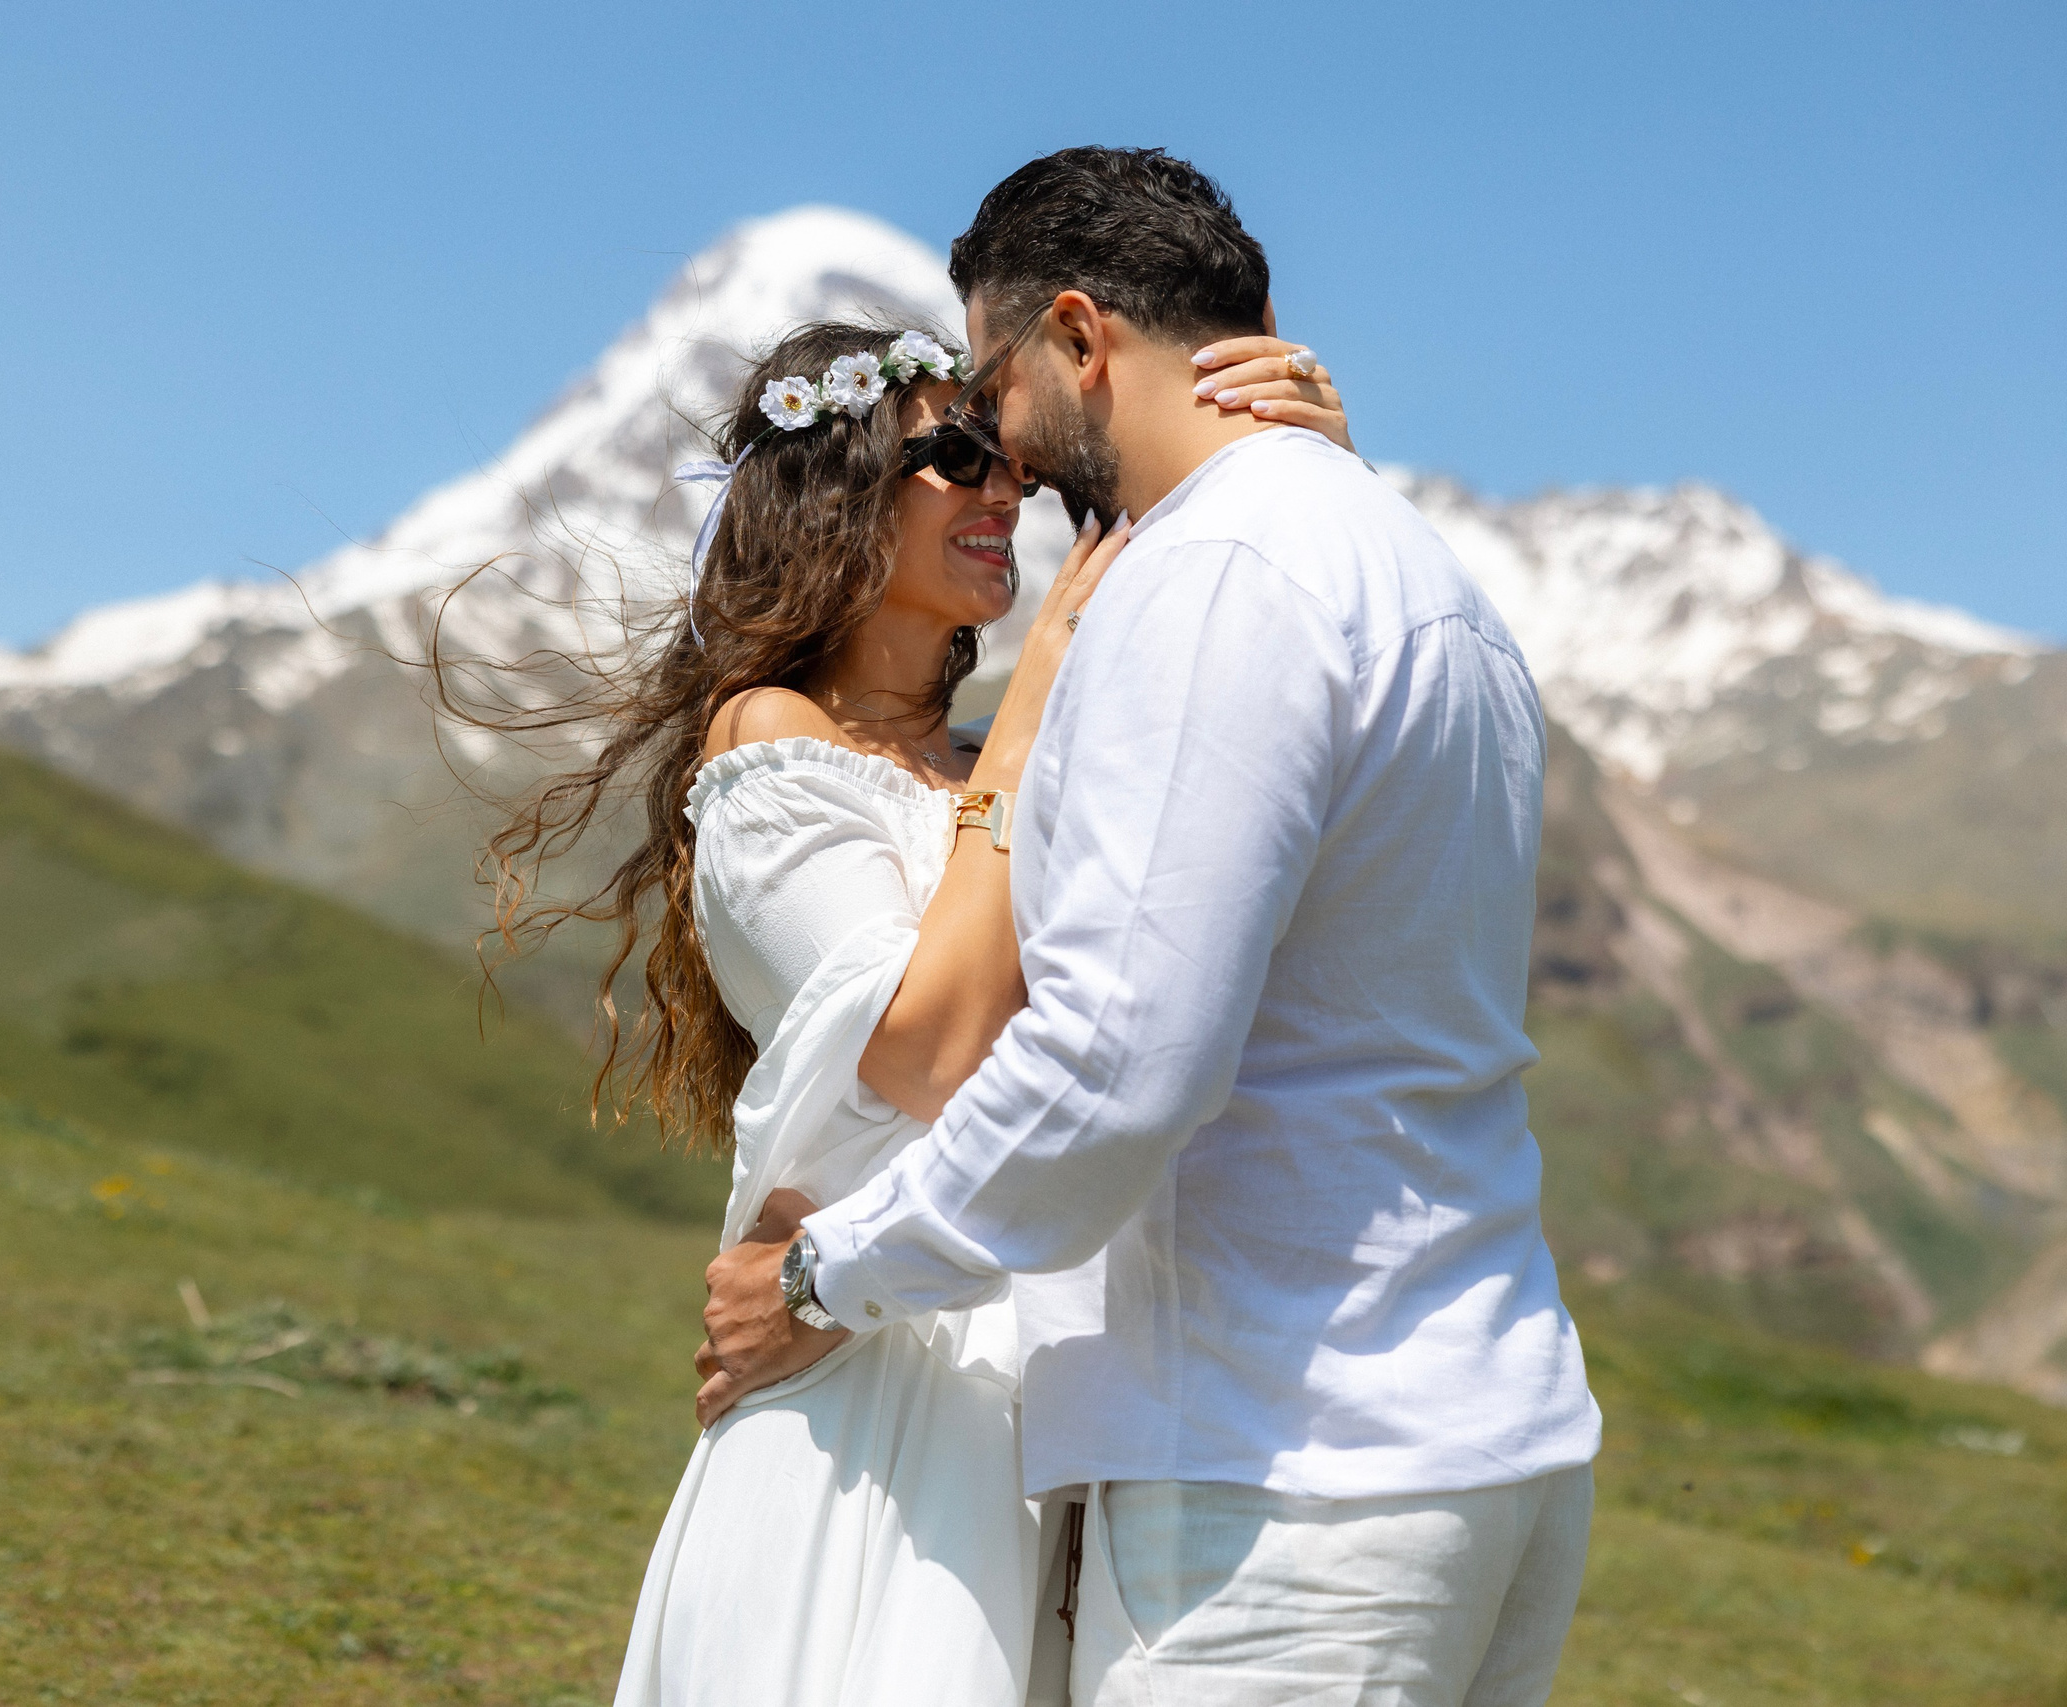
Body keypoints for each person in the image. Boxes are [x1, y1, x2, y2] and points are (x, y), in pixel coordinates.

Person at [699, 148, 1603, 1707]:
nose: (1011, 466)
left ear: (1076, 336)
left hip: (1288, 1480)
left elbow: (1123, 1057)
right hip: (1479, 1431)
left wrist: (825, 1275)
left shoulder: (1218, 580)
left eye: (996, 390)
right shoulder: (1416, 572)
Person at [452, 312, 1351, 1705]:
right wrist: (1042, 701)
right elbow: (931, 1051)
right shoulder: (773, 746)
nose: (1004, 491)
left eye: (1010, 465)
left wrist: (1306, 468)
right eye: (954, 455)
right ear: (837, 494)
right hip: (878, 1411)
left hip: (1049, 1397)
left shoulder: (999, 760)